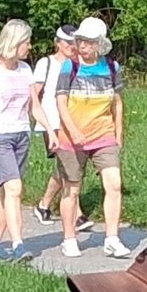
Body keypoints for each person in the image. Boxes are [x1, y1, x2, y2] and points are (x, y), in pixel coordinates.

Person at [0, 19, 52, 262]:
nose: (29, 47)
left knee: (7, 194)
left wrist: (51, 130)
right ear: (14, 42)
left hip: (21, 135)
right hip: (0, 136)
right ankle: (18, 244)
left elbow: (33, 106)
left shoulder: (25, 70)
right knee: (15, 189)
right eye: (26, 42)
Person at [55, 17, 128, 258]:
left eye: (87, 42)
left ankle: (112, 238)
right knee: (72, 190)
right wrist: (72, 129)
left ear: (99, 44)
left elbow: (117, 103)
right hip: (72, 139)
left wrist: (118, 133)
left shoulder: (111, 68)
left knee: (114, 184)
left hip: (103, 135)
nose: (82, 46)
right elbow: (61, 102)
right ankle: (69, 238)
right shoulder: (70, 67)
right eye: (80, 41)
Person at [32, 24, 81, 227]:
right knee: (69, 165)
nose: (71, 46)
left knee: (67, 167)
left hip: (71, 122)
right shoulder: (47, 63)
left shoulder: (78, 64)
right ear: (57, 43)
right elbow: (34, 93)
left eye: (74, 42)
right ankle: (77, 215)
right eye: (67, 42)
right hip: (51, 122)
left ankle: (44, 205)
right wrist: (41, 121)